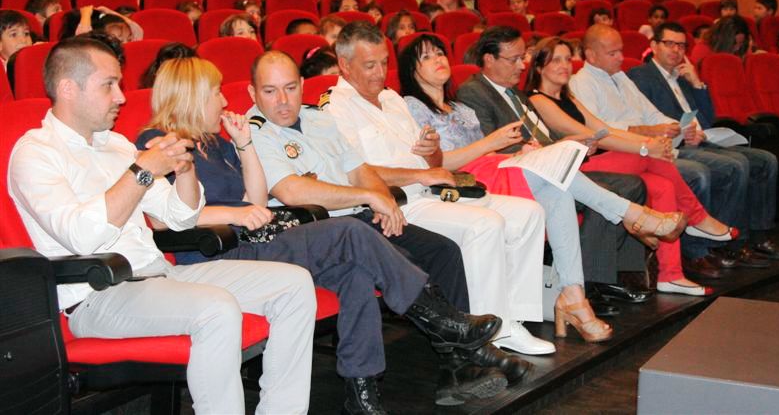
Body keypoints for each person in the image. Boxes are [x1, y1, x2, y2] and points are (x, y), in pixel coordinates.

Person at [138, 56, 506, 411]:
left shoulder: (215, 142)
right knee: (349, 231)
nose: (222, 101)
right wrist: (235, 213)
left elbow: (255, 198)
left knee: (355, 273)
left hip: (258, 238)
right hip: (218, 250)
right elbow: (164, 220)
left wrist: (244, 145)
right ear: (191, 96)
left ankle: (362, 396)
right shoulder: (157, 142)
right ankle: (439, 320)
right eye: (215, 92)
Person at [8, 36, 317, 414]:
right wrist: (141, 171)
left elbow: (180, 217)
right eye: (109, 85)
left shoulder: (116, 146)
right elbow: (82, 236)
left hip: (158, 276)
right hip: (97, 294)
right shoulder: (35, 154)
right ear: (68, 89)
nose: (121, 97)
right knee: (216, 308)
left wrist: (184, 169)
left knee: (294, 285)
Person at [249, 50, 534, 395]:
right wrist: (368, 197)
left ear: (302, 84)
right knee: (403, 256)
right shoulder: (255, 132)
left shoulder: (316, 118)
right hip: (316, 230)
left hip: (356, 217)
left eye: (290, 88)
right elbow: (292, 191)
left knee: (442, 250)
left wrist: (380, 197)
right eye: (270, 91)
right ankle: (469, 349)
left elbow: (359, 168)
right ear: (253, 93)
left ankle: (458, 366)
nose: (283, 100)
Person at [400, 34, 684, 335]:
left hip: (492, 168)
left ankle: (574, 296)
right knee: (558, 175)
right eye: (427, 56)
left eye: (440, 53)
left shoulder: (459, 108)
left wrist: (516, 152)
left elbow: (490, 153)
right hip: (460, 183)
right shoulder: (411, 107)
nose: (439, 59)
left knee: (558, 190)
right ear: (411, 69)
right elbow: (438, 164)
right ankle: (634, 216)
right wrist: (491, 143)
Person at [324, 21, 555, 356]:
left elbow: (432, 161)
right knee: (485, 225)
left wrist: (431, 150)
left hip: (429, 193)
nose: (380, 73)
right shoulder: (334, 108)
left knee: (528, 213)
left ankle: (513, 319)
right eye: (369, 65)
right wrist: (421, 174)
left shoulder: (391, 99)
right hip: (396, 204)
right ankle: (490, 329)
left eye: (384, 63)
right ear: (345, 65)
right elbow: (356, 173)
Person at [453, 28, 701, 298]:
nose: (522, 66)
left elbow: (545, 136)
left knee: (632, 184)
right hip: (517, 174)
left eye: (522, 58)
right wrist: (557, 147)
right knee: (623, 179)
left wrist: (572, 144)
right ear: (489, 59)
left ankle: (620, 274)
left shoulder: (515, 94)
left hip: (549, 164)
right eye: (514, 59)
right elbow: (492, 143)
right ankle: (596, 280)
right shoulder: (474, 91)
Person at [526, 35, 743, 285]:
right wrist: (646, 146)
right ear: (539, 67)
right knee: (644, 156)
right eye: (556, 60)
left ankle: (671, 275)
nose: (565, 66)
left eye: (567, 59)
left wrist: (649, 143)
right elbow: (592, 136)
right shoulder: (537, 100)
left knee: (664, 186)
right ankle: (697, 218)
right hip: (575, 171)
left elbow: (605, 129)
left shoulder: (569, 97)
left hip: (597, 161)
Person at [569, 25, 762, 275]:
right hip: (614, 154)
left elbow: (652, 114)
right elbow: (602, 131)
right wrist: (651, 136)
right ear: (591, 55)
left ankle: (672, 271)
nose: (620, 58)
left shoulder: (621, 77)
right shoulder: (582, 83)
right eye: (612, 53)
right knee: (696, 173)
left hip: (643, 149)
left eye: (621, 51)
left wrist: (672, 128)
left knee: (673, 180)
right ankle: (696, 243)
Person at [628, 22, 779, 262]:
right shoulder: (641, 76)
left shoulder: (683, 77)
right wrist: (683, 133)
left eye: (681, 45)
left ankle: (758, 236)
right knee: (736, 165)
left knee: (765, 160)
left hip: (702, 139)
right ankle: (730, 241)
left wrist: (697, 84)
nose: (676, 50)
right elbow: (649, 120)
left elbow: (707, 119)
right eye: (669, 44)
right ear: (654, 45)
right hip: (676, 145)